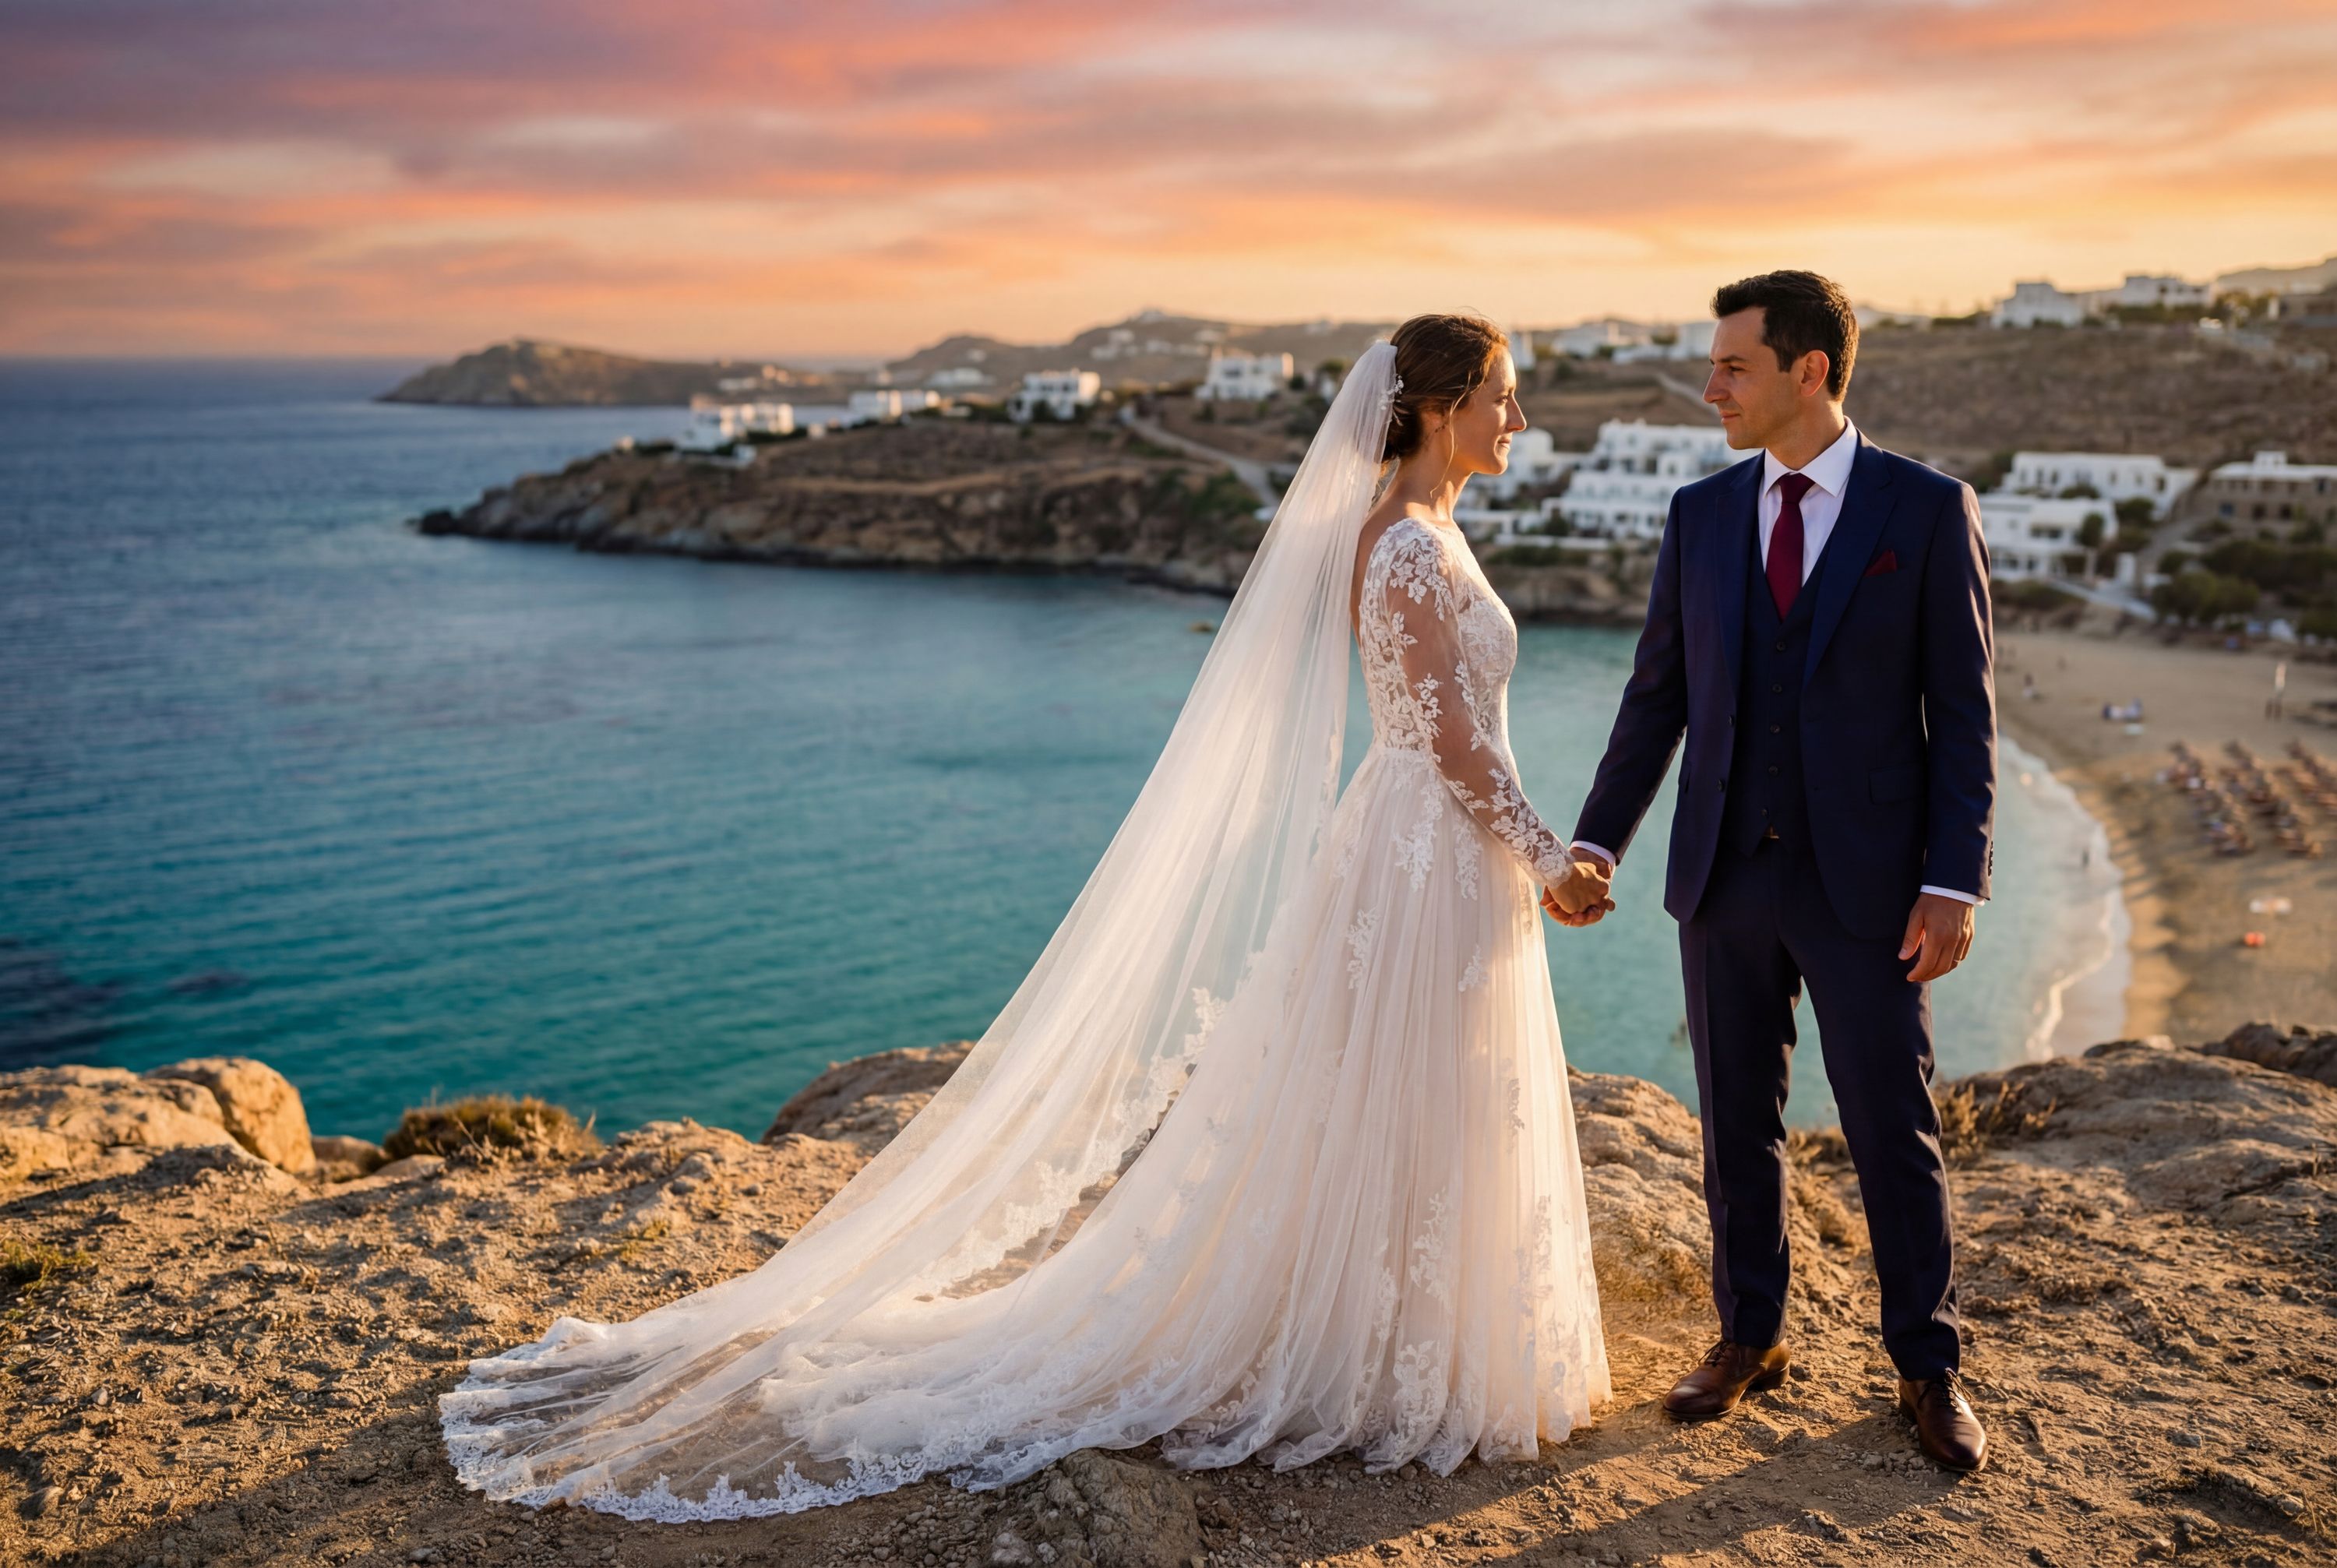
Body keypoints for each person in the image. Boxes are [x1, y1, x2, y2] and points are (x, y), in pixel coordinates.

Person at [439, 317, 1615, 1520]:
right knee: (1405, 1079)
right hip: (1429, 851)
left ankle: (1403, 1327)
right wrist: (1551, 861)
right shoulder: (1407, 547)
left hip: (1431, 849)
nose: (1520, 422)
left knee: (1412, 1085)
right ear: (1438, 408)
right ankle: (1377, 1345)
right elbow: (1457, 744)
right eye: (1505, 399)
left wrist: (1526, 858)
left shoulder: (1424, 532)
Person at [1565, 271, 1996, 1472]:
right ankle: (1750, 1334)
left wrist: (1954, 882)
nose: (1711, 390)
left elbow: (1964, 719)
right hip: (1722, 875)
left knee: (1890, 1127)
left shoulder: (1924, 508)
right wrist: (1598, 838)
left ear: (1810, 369)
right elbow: (1658, 698)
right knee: (1733, 1127)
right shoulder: (1701, 513)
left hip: (1867, 885)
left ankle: (1928, 1364)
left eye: (1733, 367)